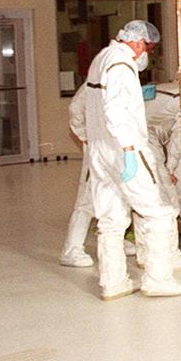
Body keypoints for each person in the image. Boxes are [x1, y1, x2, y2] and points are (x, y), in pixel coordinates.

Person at [83, 20, 181, 299]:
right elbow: (116, 111)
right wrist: (129, 150)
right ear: (138, 42)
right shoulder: (121, 66)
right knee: (158, 211)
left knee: (111, 219)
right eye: (148, 47)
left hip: (99, 150)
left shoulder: (101, 59)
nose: (147, 54)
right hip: (124, 149)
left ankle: (113, 282)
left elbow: (89, 105)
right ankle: (158, 279)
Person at [59, 85, 136, 267]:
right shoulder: (95, 82)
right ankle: (71, 249)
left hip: (119, 149)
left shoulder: (124, 77)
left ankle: (116, 240)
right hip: (98, 148)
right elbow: (75, 110)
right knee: (87, 200)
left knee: (119, 196)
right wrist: (84, 136)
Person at [139, 81, 181, 269]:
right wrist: (170, 169)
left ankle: (144, 253)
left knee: (144, 199)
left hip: (141, 131)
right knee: (167, 198)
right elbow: (180, 140)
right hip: (142, 137)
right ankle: (170, 254)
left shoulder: (177, 88)